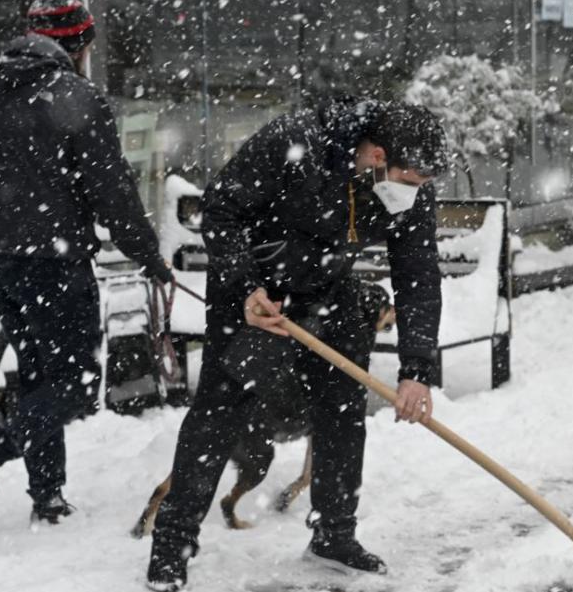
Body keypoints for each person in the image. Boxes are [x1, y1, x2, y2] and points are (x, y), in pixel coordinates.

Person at [146, 98, 448, 591]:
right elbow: (222, 209)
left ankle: (335, 533)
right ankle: (171, 547)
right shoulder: (298, 143)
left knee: (343, 408)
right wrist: (246, 287)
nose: (416, 194)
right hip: (255, 294)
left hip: (330, 291)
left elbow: (417, 274)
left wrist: (417, 368)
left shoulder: (411, 184)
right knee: (219, 412)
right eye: (411, 181)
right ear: (377, 156)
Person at [0, 0, 173, 526]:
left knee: (38, 374)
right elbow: (113, 194)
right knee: (76, 384)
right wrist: (148, 256)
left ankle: (48, 497)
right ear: (77, 43)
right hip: (54, 263)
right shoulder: (76, 98)